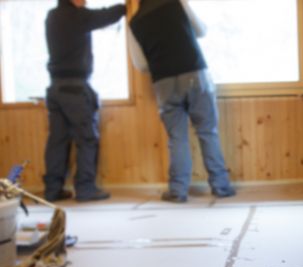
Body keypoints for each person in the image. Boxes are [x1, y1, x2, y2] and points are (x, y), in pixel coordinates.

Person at [127, 0, 235, 203]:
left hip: (163, 82)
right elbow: (201, 31)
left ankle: (178, 191)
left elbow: (141, 64)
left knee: (177, 138)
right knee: (207, 131)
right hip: (194, 73)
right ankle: (221, 187)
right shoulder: (176, 3)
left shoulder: (135, 22)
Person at [44, 0, 126, 202]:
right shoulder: (77, 16)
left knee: (57, 141)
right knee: (87, 138)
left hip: (55, 88)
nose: (86, 1)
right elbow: (107, 15)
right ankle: (86, 189)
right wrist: (126, 6)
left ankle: (53, 190)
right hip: (75, 89)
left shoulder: (52, 16)